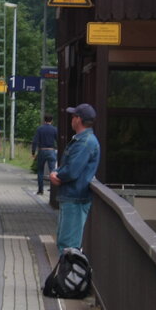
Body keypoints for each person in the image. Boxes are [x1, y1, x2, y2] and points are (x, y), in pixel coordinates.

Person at [49, 103, 101, 253]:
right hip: (73, 196)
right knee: (66, 242)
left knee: (68, 245)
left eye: (73, 116)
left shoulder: (84, 142)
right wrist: (57, 172)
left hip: (75, 198)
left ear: (79, 119)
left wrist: (57, 175)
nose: (71, 119)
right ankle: (66, 275)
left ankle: (68, 276)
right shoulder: (85, 140)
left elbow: (72, 170)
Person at [30, 114, 59, 195]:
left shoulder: (40, 129)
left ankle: (40, 190)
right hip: (51, 151)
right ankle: (53, 191)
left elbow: (35, 141)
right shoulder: (54, 129)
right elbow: (58, 140)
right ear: (51, 120)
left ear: (44, 120)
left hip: (42, 151)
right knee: (53, 171)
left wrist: (33, 152)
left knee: (40, 171)